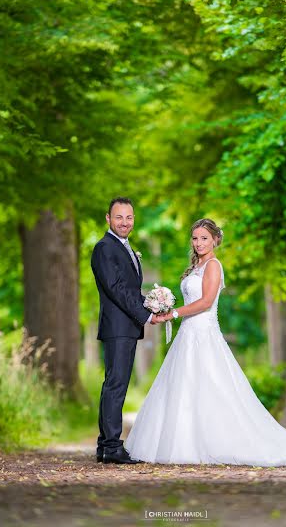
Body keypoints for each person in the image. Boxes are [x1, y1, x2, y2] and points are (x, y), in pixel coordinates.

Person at [125, 218, 286, 466]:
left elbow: (205, 302)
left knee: (211, 386)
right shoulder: (194, 267)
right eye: (195, 238)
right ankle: (183, 441)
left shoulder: (213, 266)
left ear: (215, 239)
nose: (199, 243)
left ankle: (216, 442)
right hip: (187, 334)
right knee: (182, 386)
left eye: (204, 238)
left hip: (203, 334)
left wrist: (172, 313)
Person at [91, 197, 162, 465]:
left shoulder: (123, 247)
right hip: (118, 327)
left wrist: (152, 303)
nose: (124, 222)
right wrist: (145, 315)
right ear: (108, 219)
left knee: (115, 383)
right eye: (119, 217)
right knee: (116, 384)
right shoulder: (104, 248)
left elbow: (129, 289)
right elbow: (116, 288)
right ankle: (111, 446)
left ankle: (104, 446)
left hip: (125, 327)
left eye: (129, 217)